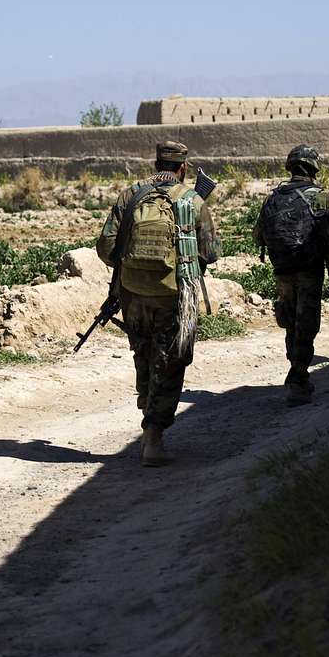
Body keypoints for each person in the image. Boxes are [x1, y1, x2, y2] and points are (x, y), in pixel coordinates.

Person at [96, 141, 219, 466]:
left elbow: (106, 247)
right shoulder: (192, 200)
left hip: (133, 294)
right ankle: (153, 435)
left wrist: (135, 265)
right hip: (173, 294)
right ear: (183, 168)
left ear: (155, 164)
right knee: (170, 360)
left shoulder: (131, 195)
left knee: (144, 351)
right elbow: (211, 252)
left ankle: (146, 401)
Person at [253, 145, 329, 406]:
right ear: (313, 168)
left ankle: (295, 368)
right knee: (306, 323)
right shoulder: (320, 197)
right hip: (309, 270)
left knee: (291, 319)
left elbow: (258, 235)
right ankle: (297, 378)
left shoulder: (273, 198)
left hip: (282, 270)